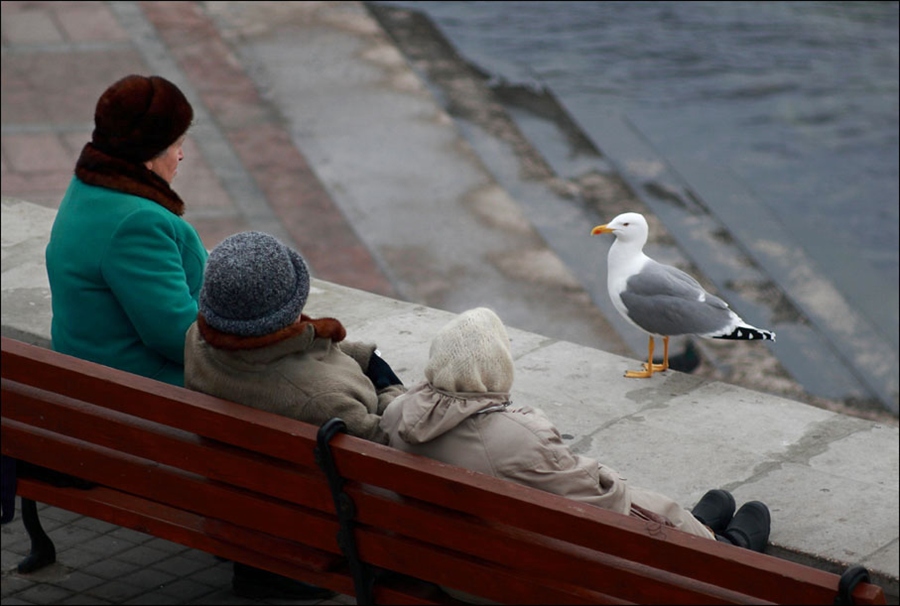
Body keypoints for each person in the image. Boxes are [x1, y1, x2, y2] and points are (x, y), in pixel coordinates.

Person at [380, 307, 771, 552]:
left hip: (447, 559)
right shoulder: (517, 435)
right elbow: (605, 503)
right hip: (518, 580)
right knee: (640, 502)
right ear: (496, 366)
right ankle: (725, 549)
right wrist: (605, 475)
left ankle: (699, 525)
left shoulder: (398, 414)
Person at [45, 74, 206, 386]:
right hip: (140, 394)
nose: (181, 156)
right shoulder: (137, 223)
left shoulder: (87, 187)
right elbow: (178, 337)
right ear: (148, 154)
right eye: (177, 145)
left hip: (91, 373)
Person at [184, 230, 406, 445]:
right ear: (289, 312)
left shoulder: (196, 339)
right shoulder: (320, 400)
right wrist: (392, 392)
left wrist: (364, 355)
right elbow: (387, 438)